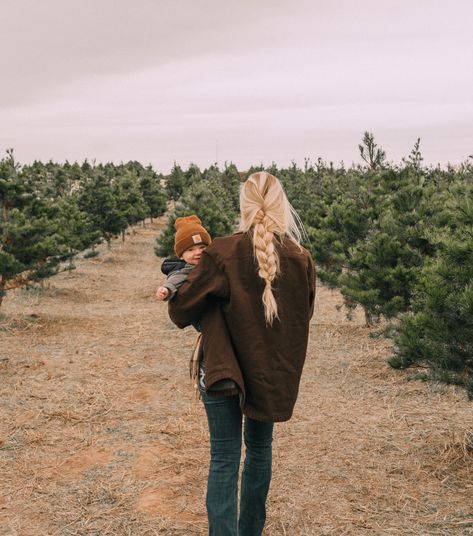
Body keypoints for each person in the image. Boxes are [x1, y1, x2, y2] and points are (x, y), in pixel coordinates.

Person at [168, 171, 316, 536]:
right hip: (270, 373)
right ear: (282, 205)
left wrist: (213, 307)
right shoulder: (301, 258)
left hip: (223, 371)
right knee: (260, 450)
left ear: (244, 206)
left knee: (224, 457)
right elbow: (301, 315)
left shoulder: (222, 252)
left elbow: (181, 310)